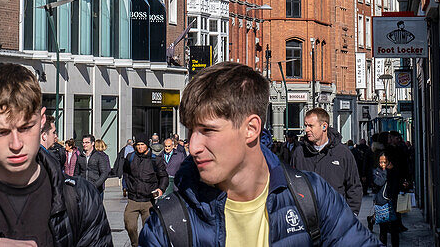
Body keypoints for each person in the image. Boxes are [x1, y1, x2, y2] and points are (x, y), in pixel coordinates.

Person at [138, 61, 379, 247]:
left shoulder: (312, 197)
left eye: (208, 130)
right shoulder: (167, 223)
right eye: (191, 131)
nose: (193, 145)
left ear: (251, 129)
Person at [0, 63, 111, 247]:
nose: (16, 144)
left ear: (42, 121)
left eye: (26, 128)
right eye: (0, 132)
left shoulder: (80, 198)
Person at [291, 108, 363, 215]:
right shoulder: (299, 153)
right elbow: (292, 185)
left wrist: (351, 215)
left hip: (336, 218)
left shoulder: (342, 153)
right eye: (306, 125)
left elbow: (354, 187)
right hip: (307, 218)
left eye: (311, 126)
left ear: (324, 126)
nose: (306, 130)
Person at [121, 137, 168, 247]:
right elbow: (126, 173)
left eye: (142, 144)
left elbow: (164, 177)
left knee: (149, 229)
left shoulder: (155, 160)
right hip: (133, 199)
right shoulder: (130, 157)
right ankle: (135, 244)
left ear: (147, 144)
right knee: (130, 225)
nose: (140, 147)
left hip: (148, 200)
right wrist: (127, 186)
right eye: (138, 144)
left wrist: (160, 189)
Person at [372, 154, 401, 246]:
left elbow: (397, 184)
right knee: (383, 230)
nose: (382, 164)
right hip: (382, 203)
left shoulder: (394, 171)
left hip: (393, 203)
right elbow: (379, 182)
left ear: (389, 162)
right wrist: (385, 172)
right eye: (381, 162)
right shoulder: (376, 172)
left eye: (385, 162)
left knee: (394, 230)